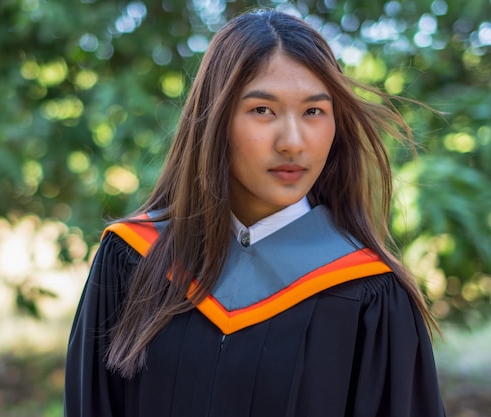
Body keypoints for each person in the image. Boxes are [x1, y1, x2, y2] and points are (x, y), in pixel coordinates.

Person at [64, 9, 446, 417]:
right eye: (263, 110)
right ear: (215, 119)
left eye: (313, 111)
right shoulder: (133, 258)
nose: (293, 142)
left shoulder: (369, 293)